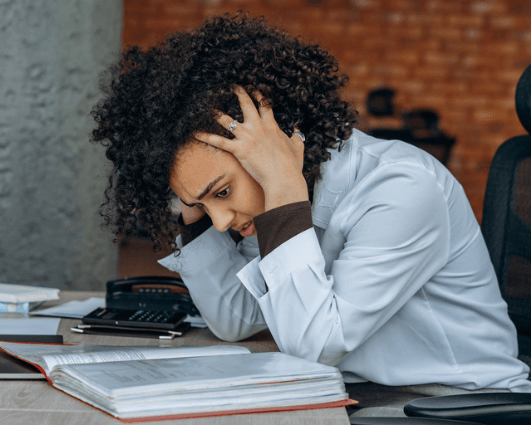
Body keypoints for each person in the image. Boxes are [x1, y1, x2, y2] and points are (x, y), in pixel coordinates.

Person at [91, 13, 531, 392]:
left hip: (450, 403)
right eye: (204, 205)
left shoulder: (400, 188)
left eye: (221, 192)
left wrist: (283, 190)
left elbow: (315, 345)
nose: (221, 221)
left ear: (277, 140)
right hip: (357, 394)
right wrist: (194, 215)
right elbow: (236, 318)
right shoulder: (270, 200)